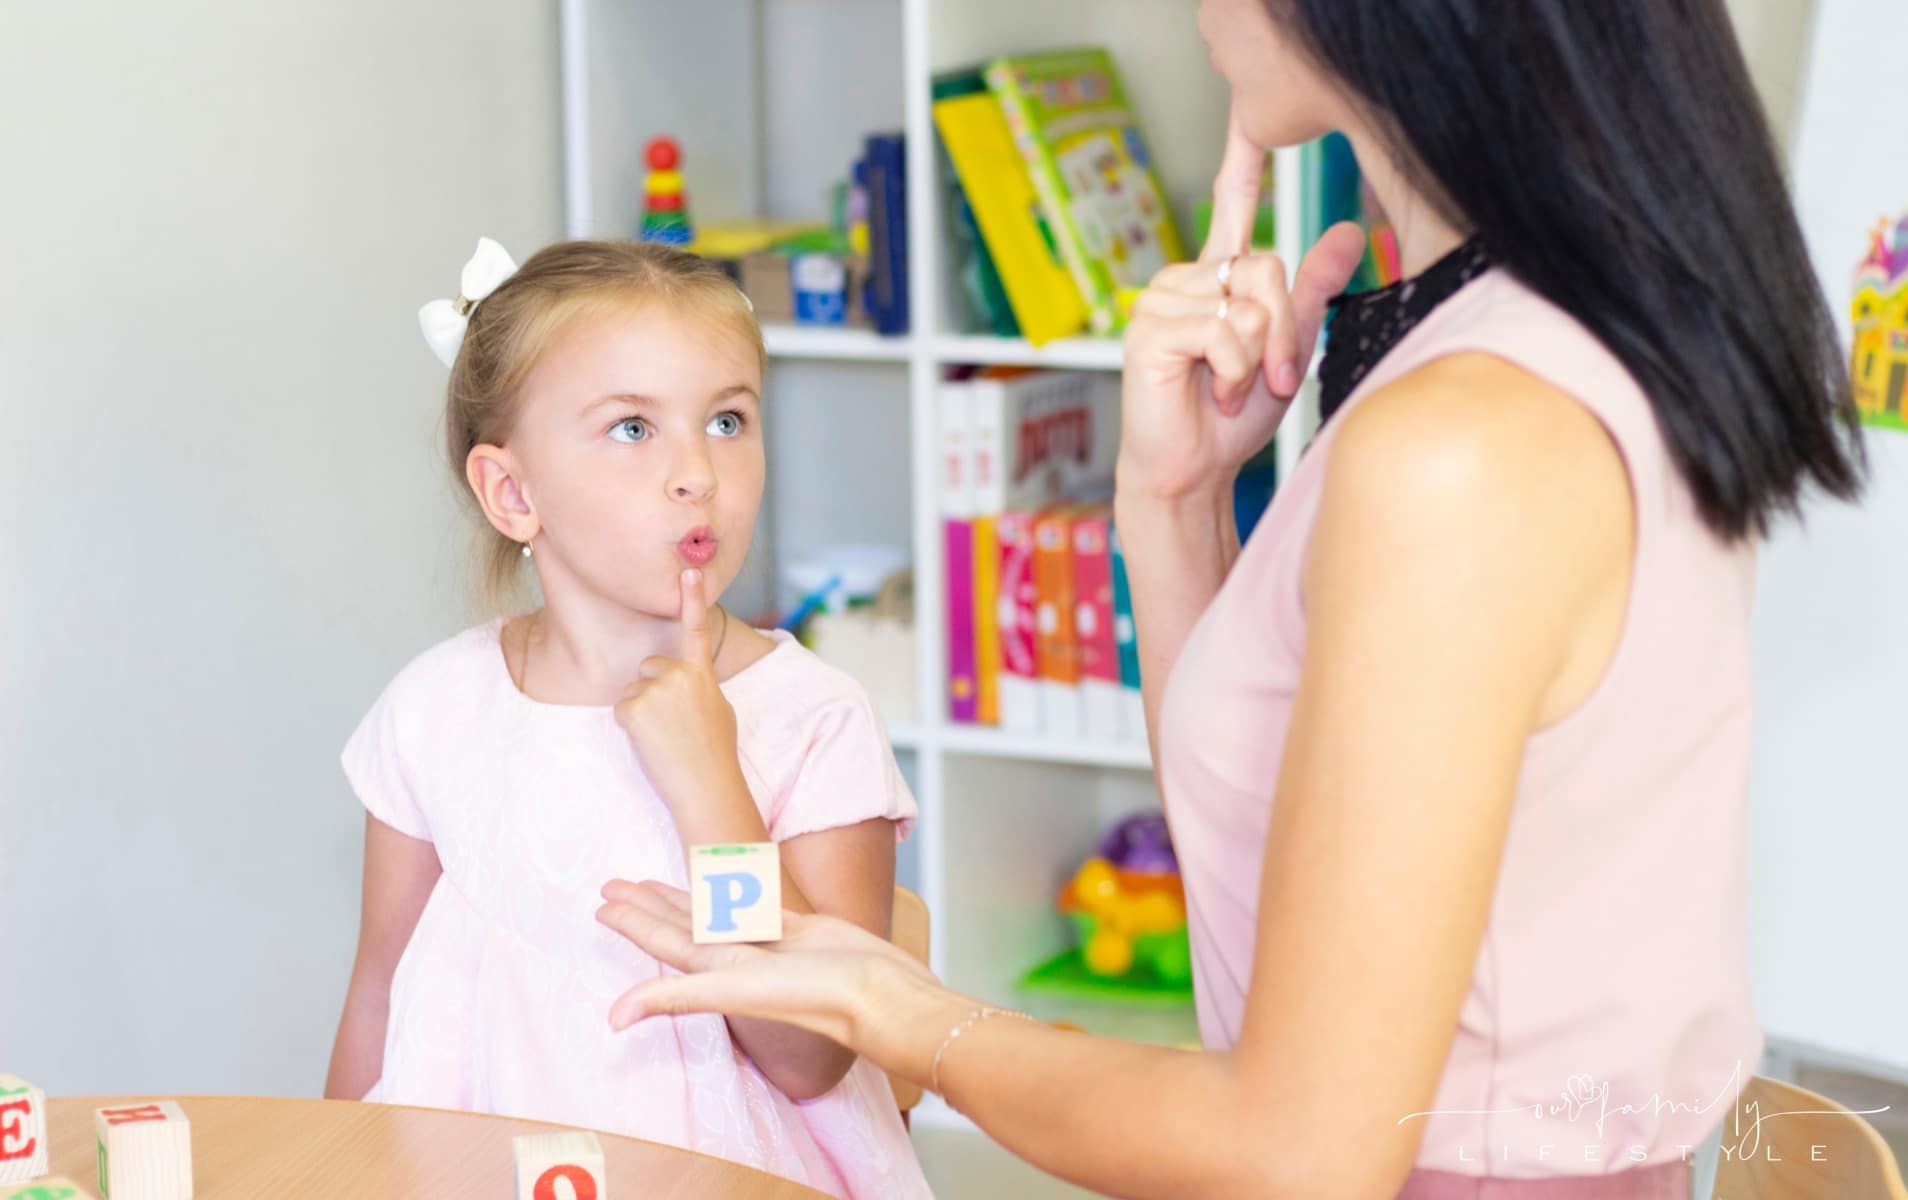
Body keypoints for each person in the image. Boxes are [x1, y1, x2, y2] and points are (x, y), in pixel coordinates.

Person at [595, 1, 1869, 1196]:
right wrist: (1177, 503)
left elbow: (1297, 1153)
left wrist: (906, 1013)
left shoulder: (1462, 446)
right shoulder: (1546, 341)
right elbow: (1271, 881)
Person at [324, 238, 931, 1200]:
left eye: (728, 419)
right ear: (513, 494)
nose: (697, 472)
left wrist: (709, 783)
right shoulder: (435, 710)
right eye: (633, 430)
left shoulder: (811, 718)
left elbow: (808, 1057)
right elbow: (378, 993)